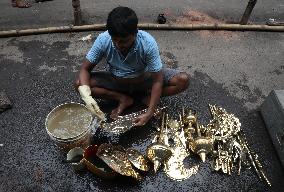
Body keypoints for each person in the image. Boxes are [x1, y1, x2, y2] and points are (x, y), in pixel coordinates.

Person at [76, 6, 189, 126]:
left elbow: (157, 80)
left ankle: (147, 98)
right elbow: (85, 69)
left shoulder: (147, 43)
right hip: (116, 81)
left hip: (144, 80)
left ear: (136, 32)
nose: (119, 45)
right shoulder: (103, 40)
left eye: (124, 41)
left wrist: (150, 112)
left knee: (183, 80)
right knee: (80, 84)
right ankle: (122, 98)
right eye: (115, 40)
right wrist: (87, 95)